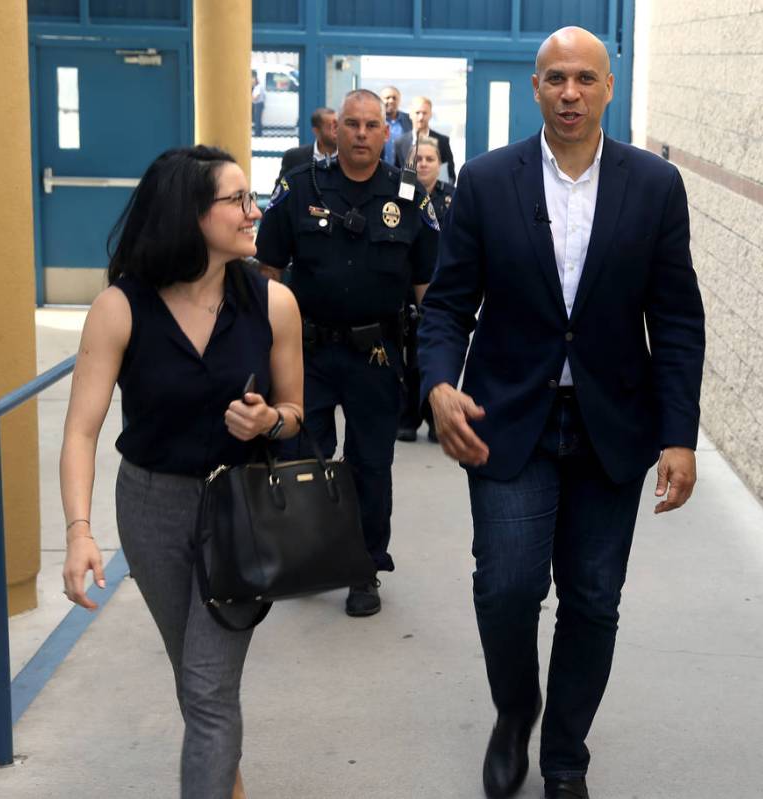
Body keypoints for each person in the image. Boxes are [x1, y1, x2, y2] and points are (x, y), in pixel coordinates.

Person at [418, 27, 705, 799]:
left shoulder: (653, 185)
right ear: (534, 88)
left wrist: (679, 433)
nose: (569, 92)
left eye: (584, 78)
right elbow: (445, 307)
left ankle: (564, 755)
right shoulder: (484, 181)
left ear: (608, 86)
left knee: (591, 597)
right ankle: (516, 711)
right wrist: (438, 384)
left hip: (613, 423)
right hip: (507, 417)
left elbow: (675, 318)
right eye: (554, 79)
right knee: (505, 587)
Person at [60, 145, 303, 799]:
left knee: (206, 683)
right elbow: (82, 429)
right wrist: (79, 530)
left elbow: (295, 412)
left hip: (243, 511)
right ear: (191, 215)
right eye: (239, 200)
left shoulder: (273, 303)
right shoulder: (120, 307)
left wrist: (267, 423)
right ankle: (226, 781)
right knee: (198, 680)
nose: (256, 212)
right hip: (150, 508)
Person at [255, 89, 439, 617]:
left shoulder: (409, 196)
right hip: (304, 352)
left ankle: (363, 568)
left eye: (371, 125)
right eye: (351, 125)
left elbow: (429, 285)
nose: (360, 134)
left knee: (370, 465)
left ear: (387, 132)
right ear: (335, 131)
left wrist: (442, 360)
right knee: (300, 458)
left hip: (376, 354)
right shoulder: (297, 187)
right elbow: (266, 275)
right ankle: (312, 557)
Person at [397, 136, 454, 443]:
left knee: (431, 352)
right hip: (405, 286)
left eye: (430, 159)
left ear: (440, 164)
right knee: (406, 355)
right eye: (417, 160)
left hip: (440, 285)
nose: (423, 164)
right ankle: (406, 417)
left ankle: (435, 418)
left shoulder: (452, 197)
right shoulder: (399, 197)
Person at [393, 96, 457, 184]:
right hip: (407, 194)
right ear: (410, 115)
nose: (421, 117)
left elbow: (450, 174)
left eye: (424, 113)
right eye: (417, 113)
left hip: (435, 195)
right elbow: (397, 172)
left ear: (430, 114)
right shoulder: (400, 142)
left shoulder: (442, 141)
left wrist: (443, 195)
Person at [276, 107, 338, 182]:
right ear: (316, 131)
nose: (336, 131)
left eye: (337, 126)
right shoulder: (294, 157)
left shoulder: (347, 157)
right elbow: (282, 186)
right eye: (331, 127)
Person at [379, 85, 412, 164]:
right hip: (378, 171)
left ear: (399, 101)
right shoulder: (373, 120)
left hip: (402, 172)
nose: (391, 101)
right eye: (387, 98)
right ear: (380, 100)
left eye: (394, 98)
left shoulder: (410, 120)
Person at [251, 70, 265, 136]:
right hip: (257, 104)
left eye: (252, 79)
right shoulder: (256, 86)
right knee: (257, 120)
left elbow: (256, 97)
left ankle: (258, 134)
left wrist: (250, 99)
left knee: (257, 120)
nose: (251, 80)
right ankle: (258, 133)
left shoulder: (258, 87)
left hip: (258, 104)